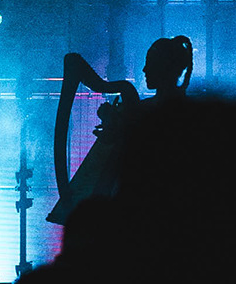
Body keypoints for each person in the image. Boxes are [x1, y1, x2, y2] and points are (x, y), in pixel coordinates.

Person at [46, 33, 192, 223]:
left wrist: (116, 124)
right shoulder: (152, 109)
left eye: (150, 63)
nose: (144, 69)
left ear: (164, 67)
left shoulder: (161, 112)